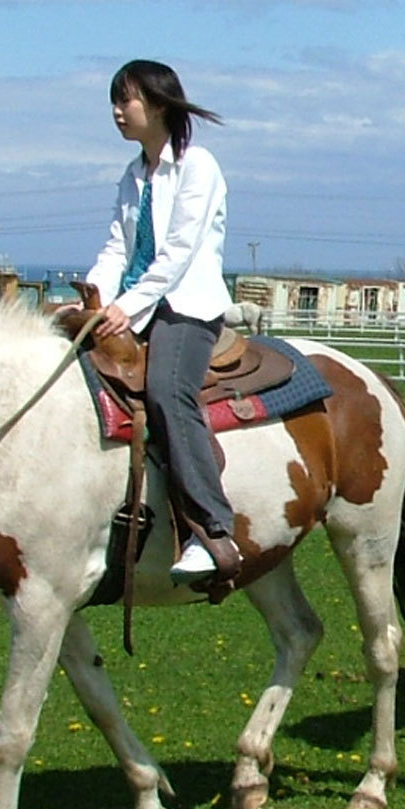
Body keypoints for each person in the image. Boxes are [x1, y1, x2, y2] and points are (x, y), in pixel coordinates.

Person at [86, 59, 242, 585]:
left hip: (186, 308)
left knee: (166, 391)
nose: (115, 111)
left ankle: (214, 532)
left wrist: (124, 307)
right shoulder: (133, 176)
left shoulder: (198, 167)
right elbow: (116, 248)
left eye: (124, 100)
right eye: (115, 100)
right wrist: (92, 298)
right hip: (134, 302)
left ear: (157, 105)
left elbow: (176, 254)